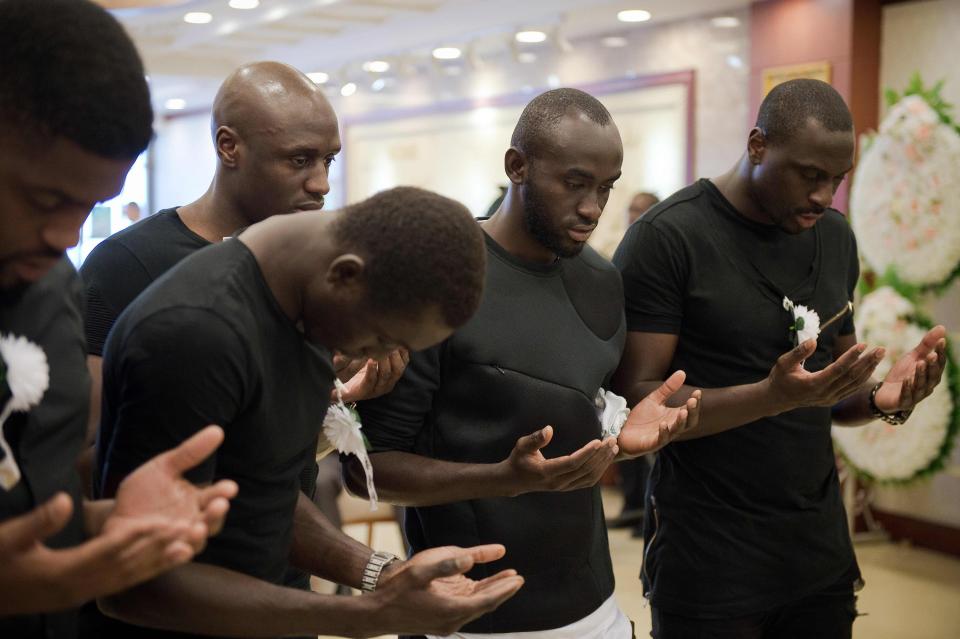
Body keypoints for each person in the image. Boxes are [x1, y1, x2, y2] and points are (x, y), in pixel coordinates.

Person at [94, 186, 525, 638]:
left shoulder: (304, 302)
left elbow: (265, 492)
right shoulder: (195, 333)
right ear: (344, 275)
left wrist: (384, 573)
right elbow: (134, 586)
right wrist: (371, 616)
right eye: (381, 336)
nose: (379, 355)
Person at [350, 89, 700, 639]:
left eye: (606, 188)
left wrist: (621, 428)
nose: (592, 208)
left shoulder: (603, 281)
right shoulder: (437, 275)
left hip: (594, 601)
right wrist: (502, 480)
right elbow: (368, 471)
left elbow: (581, 402)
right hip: (469, 611)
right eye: (575, 182)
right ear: (516, 166)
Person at [611, 78, 947, 638]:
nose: (824, 196)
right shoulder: (669, 238)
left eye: (837, 180)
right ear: (758, 145)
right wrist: (769, 397)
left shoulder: (835, 237)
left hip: (816, 551)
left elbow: (829, 394)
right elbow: (637, 401)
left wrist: (881, 399)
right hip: (709, 557)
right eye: (810, 175)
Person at [0, 0, 237, 635]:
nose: (66, 236)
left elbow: (33, 511)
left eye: (90, 205)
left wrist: (113, 522)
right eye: (47, 199)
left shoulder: (51, 289)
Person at [608, 191, 660, 537]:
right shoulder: (620, 251)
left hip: (650, 368)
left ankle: (646, 511)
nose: (633, 216)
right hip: (620, 361)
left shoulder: (661, 253)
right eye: (630, 209)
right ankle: (631, 506)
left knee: (648, 448)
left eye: (640, 210)